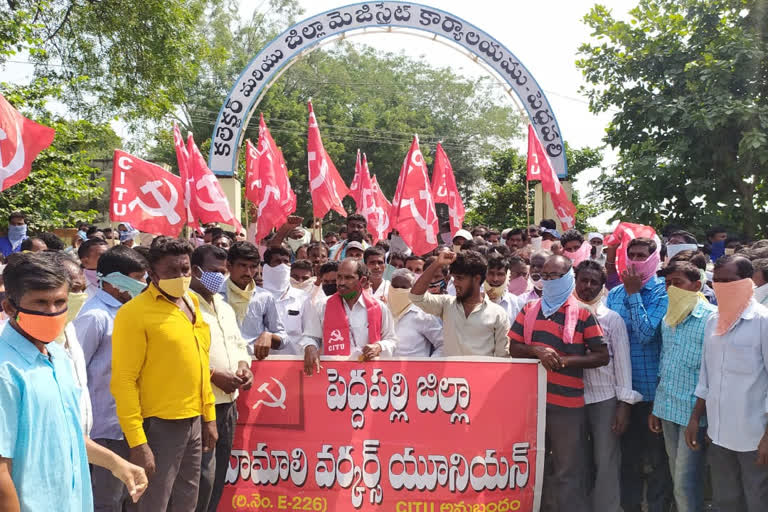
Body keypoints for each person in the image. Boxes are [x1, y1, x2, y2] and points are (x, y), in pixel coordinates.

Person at [0, 253, 147, 511]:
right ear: (10, 308)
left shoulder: (57, 355)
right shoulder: (6, 370)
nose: (53, 312)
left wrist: (116, 463)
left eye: (60, 302)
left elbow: (69, 436)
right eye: (41, 303)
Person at [111, 236, 217, 510]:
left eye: (186, 269)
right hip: (158, 426)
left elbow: (201, 362)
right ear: (153, 272)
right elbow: (124, 381)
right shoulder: (134, 313)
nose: (181, 276)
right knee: (153, 504)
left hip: (194, 420)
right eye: (172, 271)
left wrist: (209, 417)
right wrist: (138, 442)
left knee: (187, 502)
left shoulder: (192, 301)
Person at [508, 254, 608, 512]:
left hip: (567, 402)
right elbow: (514, 347)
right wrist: (537, 351)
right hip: (534, 402)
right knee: (535, 463)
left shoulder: (584, 314)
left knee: (568, 467)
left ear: (568, 278)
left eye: (556, 276)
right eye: (545, 276)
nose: (549, 280)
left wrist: (565, 361)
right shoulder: (530, 309)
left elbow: (601, 355)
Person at [686, 255, 768, 511]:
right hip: (718, 432)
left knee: (756, 499)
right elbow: (706, 377)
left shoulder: (763, 322)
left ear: (748, 282)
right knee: (725, 500)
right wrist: (694, 418)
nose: (721, 286)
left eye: (729, 281)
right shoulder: (713, 321)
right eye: (717, 281)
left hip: (754, 435)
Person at [73, 245, 148, 511]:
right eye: (139, 278)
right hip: (104, 427)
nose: (144, 284)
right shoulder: (96, 317)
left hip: (129, 422)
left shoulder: (130, 311)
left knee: (128, 494)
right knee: (107, 499)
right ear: (116, 280)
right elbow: (76, 371)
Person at [605, 237, 672, 512]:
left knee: (657, 460)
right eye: (630, 254)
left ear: (655, 258)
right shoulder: (615, 293)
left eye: (641, 255)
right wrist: (628, 292)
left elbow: (646, 335)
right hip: (622, 391)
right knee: (627, 459)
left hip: (653, 393)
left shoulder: (663, 293)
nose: (635, 260)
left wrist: (634, 295)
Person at [645, 261, 716, 512]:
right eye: (667, 284)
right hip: (668, 408)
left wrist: (697, 417)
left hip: (692, 414)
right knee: (678, 478)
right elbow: (666, 363)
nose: (671, 288)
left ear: (696, 286)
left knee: (685, 484)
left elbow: (710, 375)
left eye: (677, 283)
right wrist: (656, 407)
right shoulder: (669, 317)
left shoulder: (710, 319)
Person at [188, 245, 253, 512]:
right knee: (199, 477)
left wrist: (243, 367)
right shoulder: (184, 306)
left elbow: (238, 345)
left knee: (217, 474)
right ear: (195, 271)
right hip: (202, 404)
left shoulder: (223, 307)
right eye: (214, 271)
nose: (219, 277)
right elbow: (182, 355)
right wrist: (214, 376)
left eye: (222, 271)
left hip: (228, 403)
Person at [574, 260, 638, 512]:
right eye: (583, 280)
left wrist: (624, 405)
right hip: (571, 398)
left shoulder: (613, 319)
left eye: (594, 282)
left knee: (606, 460)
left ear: (602, 287)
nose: (588, 286)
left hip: (605, 399)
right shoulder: (564, 315)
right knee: (575, 461)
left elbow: (622, 364)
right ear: (575, 281)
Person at [301, 258, 398, 375]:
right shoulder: (322, 306)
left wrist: (379, 346)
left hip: (369, 377)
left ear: (362, 281)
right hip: (333, 377)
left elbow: (391, 340)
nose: (341, 283)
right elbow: (310, 336)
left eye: (348, 278)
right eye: (339, 277)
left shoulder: (379, 307)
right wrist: (310, 346)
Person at [410, 250, 510, 357]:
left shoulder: (498, 314)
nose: (455, 283)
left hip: (483, 373)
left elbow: (502, 357)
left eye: (460, 278)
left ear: (477, 279)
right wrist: (437, 263)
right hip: (450, 374)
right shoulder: (446, 304)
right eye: (454, 278)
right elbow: (416, 296)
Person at [260, 247, 307, 356]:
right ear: (267, 267)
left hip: (294, 365)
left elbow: (310, 334)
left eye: (286, 262)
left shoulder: (302, 297)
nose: (282, 266)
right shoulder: (256, 297)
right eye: (277, 261)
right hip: (261, 365)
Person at [387, 269, 444, 357]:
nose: (398, 290)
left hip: (415, 369)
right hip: (384, 369)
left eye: (403, 287)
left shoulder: (423, 314)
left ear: (413, 289)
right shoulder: (383, 310)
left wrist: (430, 365)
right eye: (395, 286)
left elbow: (443, 344)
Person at [222, 242, 261, 325]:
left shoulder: (264, 298)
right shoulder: (216, 295)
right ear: (229, 266)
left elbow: (279, 332)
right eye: (243, 265)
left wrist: (267, 335)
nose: (248, 272)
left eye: (253, 267)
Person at [484, 255, 524, 324]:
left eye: (500, 274)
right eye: (491, 273)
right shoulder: (472, 302)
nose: (495, 279)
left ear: (508, 275)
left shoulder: (517, 304)